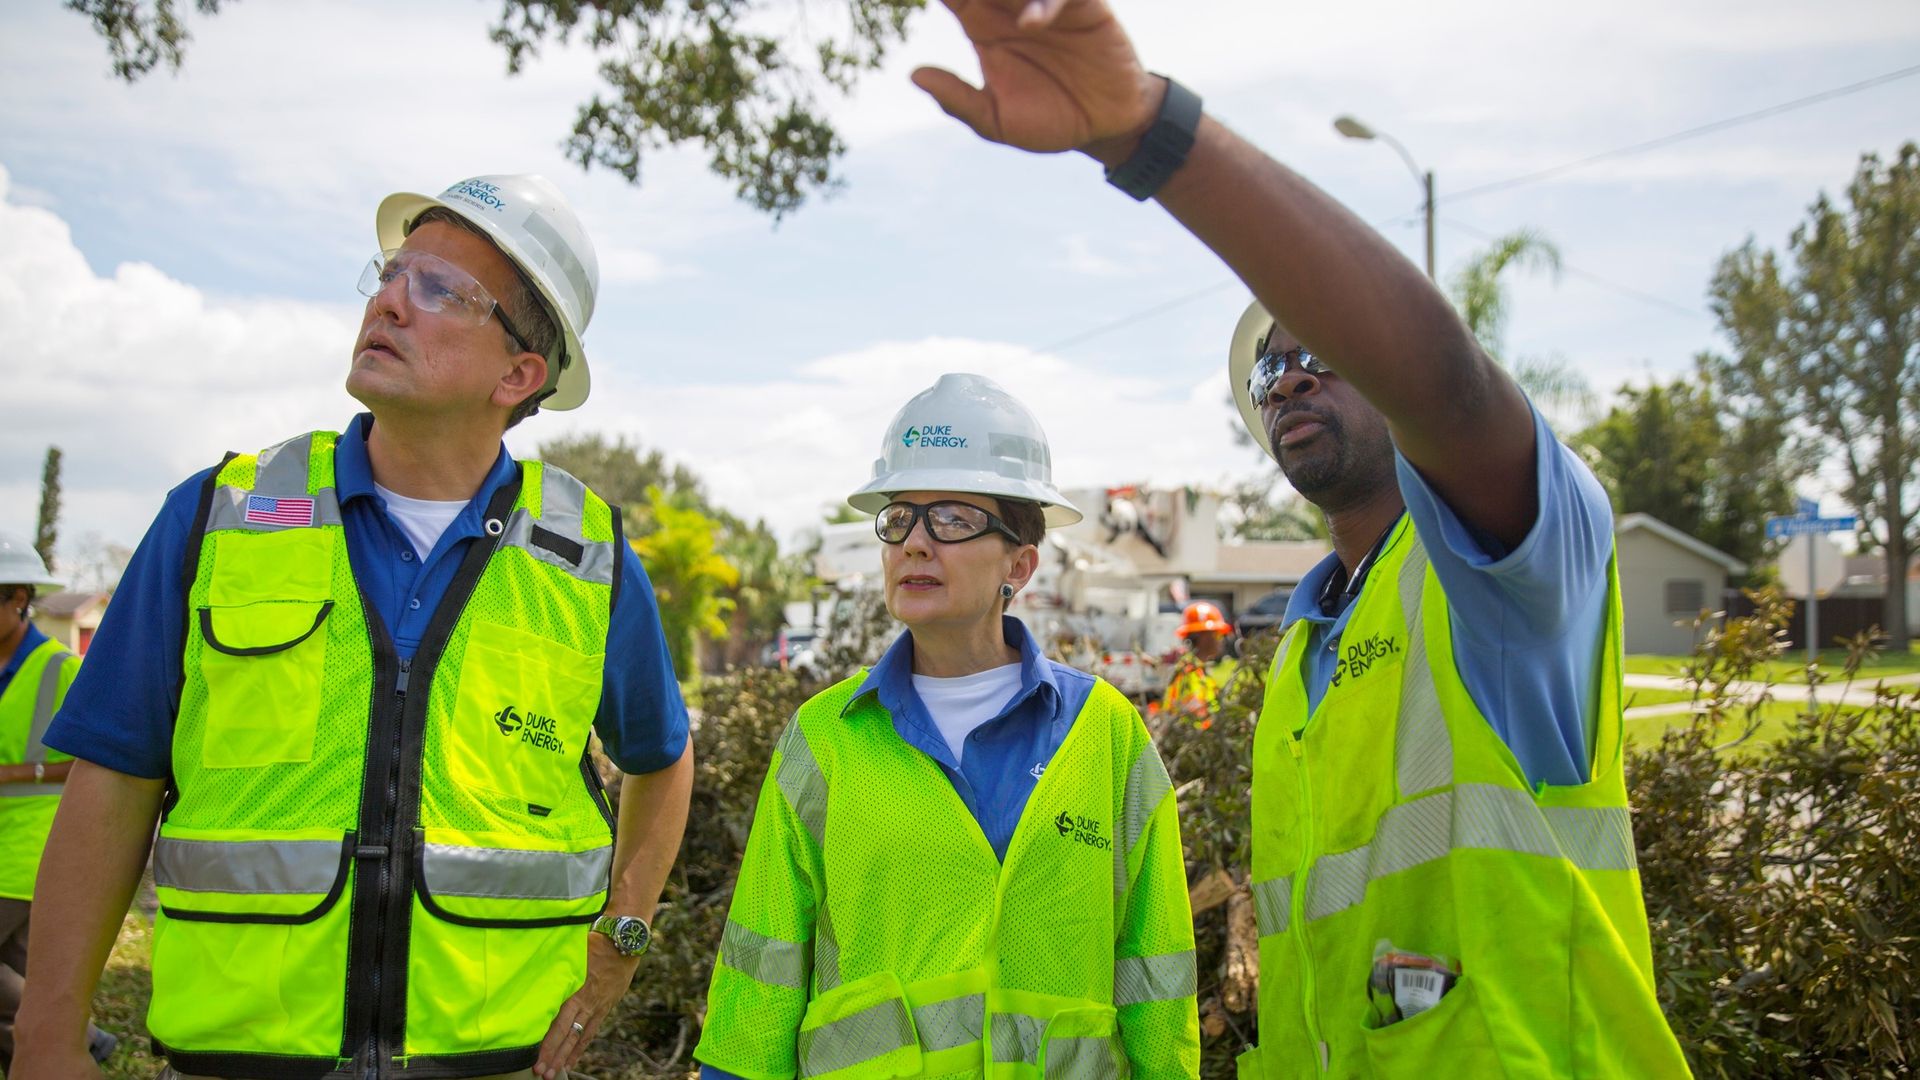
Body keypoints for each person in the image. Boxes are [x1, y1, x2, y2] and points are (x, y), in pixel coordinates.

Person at [911, 2, 1689, 1075]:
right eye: (1270, 368)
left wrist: (1149, 136)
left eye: (1322, 347)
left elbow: (1452, 388)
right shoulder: (1301, 662)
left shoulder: (1507, 584)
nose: (1293, 378)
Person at [13, 174, 695, 1080]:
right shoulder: (219, 516)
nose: (389, 300)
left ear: (520, 373)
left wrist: (623, 938)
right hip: (240, 1062)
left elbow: (662, 756)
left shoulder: (588, 557)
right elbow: (114, 780)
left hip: (494, 1064)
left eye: (442, 289)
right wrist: (47, 1035)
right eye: (392, 271)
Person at [694, 373, 1200, 1078]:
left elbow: (1157, 977)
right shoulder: (828, 736)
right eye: (900, 519)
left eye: (954, 519)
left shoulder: (1106, 735)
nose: (916, 544)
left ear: (1019, 565)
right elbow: (762, 974)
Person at [0, 534, 114, 1069]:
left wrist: (20, 772)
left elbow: (95, 763)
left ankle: (82, 1037)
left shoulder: (59, 669)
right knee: (28, 986)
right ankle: (70, 1044)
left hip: (29, 848)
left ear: (20, 597)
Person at [1158, 601, 1230, 721]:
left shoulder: (1198, 671)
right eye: (1217, 635)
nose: (1221, 641)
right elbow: (1194, 719)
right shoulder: (1190, 673)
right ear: (1203, 637)